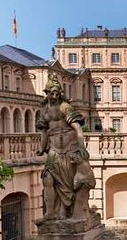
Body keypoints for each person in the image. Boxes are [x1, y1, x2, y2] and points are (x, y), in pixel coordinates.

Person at [35, 77, 96, 220]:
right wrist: (42, 148)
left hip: (69, 149)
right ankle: (50, 212)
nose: (54, 96)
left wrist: (81, 147)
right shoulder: (45, 110)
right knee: (48, 179)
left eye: (57, 93)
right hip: (54, 150)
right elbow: (44, 131)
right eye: (52, 93)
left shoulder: (65, 107)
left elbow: (77, 128)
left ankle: (64, 211)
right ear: (47, 93)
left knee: (67, 184)